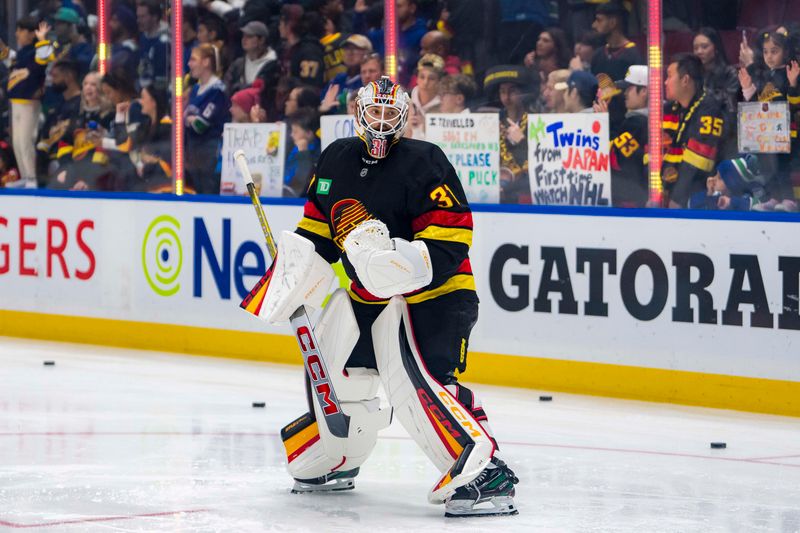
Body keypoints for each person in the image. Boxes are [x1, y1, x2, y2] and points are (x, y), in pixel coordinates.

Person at [255, 76, 518, 517]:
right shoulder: (336, 159)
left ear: (403, 119)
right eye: (373, 113)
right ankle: (337, 455)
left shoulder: (424, 160)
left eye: (388, 115)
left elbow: (452, 239)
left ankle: (484, 471)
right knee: (334, 366)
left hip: (434, 294)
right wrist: (290, 272)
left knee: (416, 383)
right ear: (358, 114)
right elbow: (317, 232)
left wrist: (395, 260)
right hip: (368, 296)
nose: (380, 123)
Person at [738, 30, 799, 211]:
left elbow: (794, 105)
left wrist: (794, 84)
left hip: (786, 133)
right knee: (768, 167)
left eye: (774, 51)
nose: (769, 56)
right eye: (766, 52)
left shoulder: (791, 74)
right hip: (766, 133)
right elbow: (758, 104)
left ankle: (788, 199)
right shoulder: (766, 76)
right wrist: (748, 88)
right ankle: (773, 197)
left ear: (785, 52)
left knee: (781, 166)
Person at [662, 54, 726, 208]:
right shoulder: (672, 109)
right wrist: (660, 190)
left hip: (699, 199)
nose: (665, 82)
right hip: (671, 193)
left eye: (669, 76)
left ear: (685, 80)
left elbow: (697, 164)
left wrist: (676, 199)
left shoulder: (710, 109)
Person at [7, 17, 55, 188]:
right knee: (17, 141)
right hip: (17, 101)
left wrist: (42, 39)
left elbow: (46, 56)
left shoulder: (37, 50)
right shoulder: (23, 53)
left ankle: (32, 178)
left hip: (29, 102)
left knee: (26, 140)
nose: (16, 34)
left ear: (29, 33)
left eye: (20, 30)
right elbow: (11, 60)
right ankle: (25, 176)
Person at [185, 43, 230, 194]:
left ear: (206, 62)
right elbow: (185, 119)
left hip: (209, 149)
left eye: (193, 60)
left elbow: (200, 125)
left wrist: (190, 120)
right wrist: (189, 120)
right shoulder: (196, 89)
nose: (188, 64)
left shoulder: (217, 90)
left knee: (208, 188)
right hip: (193, 148)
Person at [609, 65, 649, 207]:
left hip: (630, 200)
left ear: (644, 91)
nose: (624, 93)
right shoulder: (649, 118)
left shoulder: (637, 123)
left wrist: (601, 123)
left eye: (629, 88)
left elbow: (615, 156)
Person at [688, 154, 768, 211]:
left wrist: (731, 202)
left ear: (733, 185)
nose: (713, 179)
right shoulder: (714, 196)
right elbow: (691, 204)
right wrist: (709, 194)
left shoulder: (743, 197)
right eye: (715, 174)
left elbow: (756, 205)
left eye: (719, 178)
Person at [224, 21, 279, 98]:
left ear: (261, 40)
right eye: (243, 36)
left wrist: (237, 88)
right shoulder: (238, 63)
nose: (244, 39)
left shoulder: (273, 64)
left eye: (249, 36)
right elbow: (227, 84)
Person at [283, 108, 320, 197]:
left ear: (309, 133)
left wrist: (304, 153)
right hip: (282, 191)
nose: (291, 135)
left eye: (295, 131)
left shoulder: (318, 152)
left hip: (298, 197)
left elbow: (302, 179)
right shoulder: (291, 146)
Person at [408, 53, 444, 139]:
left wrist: (426, 125)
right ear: (416, 79)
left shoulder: (444, 104)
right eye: (422, 77)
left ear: (439, 81)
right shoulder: (406, 100)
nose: (425, 82)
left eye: (431, 78)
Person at [136, 0, 169, 90]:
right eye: (138, 17)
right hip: (142, 89)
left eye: (143, 17)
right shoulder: (143, 37)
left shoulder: (164, 42)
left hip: (157, 94)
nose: (139, 21)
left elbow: (162, 79)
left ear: (154, 17)